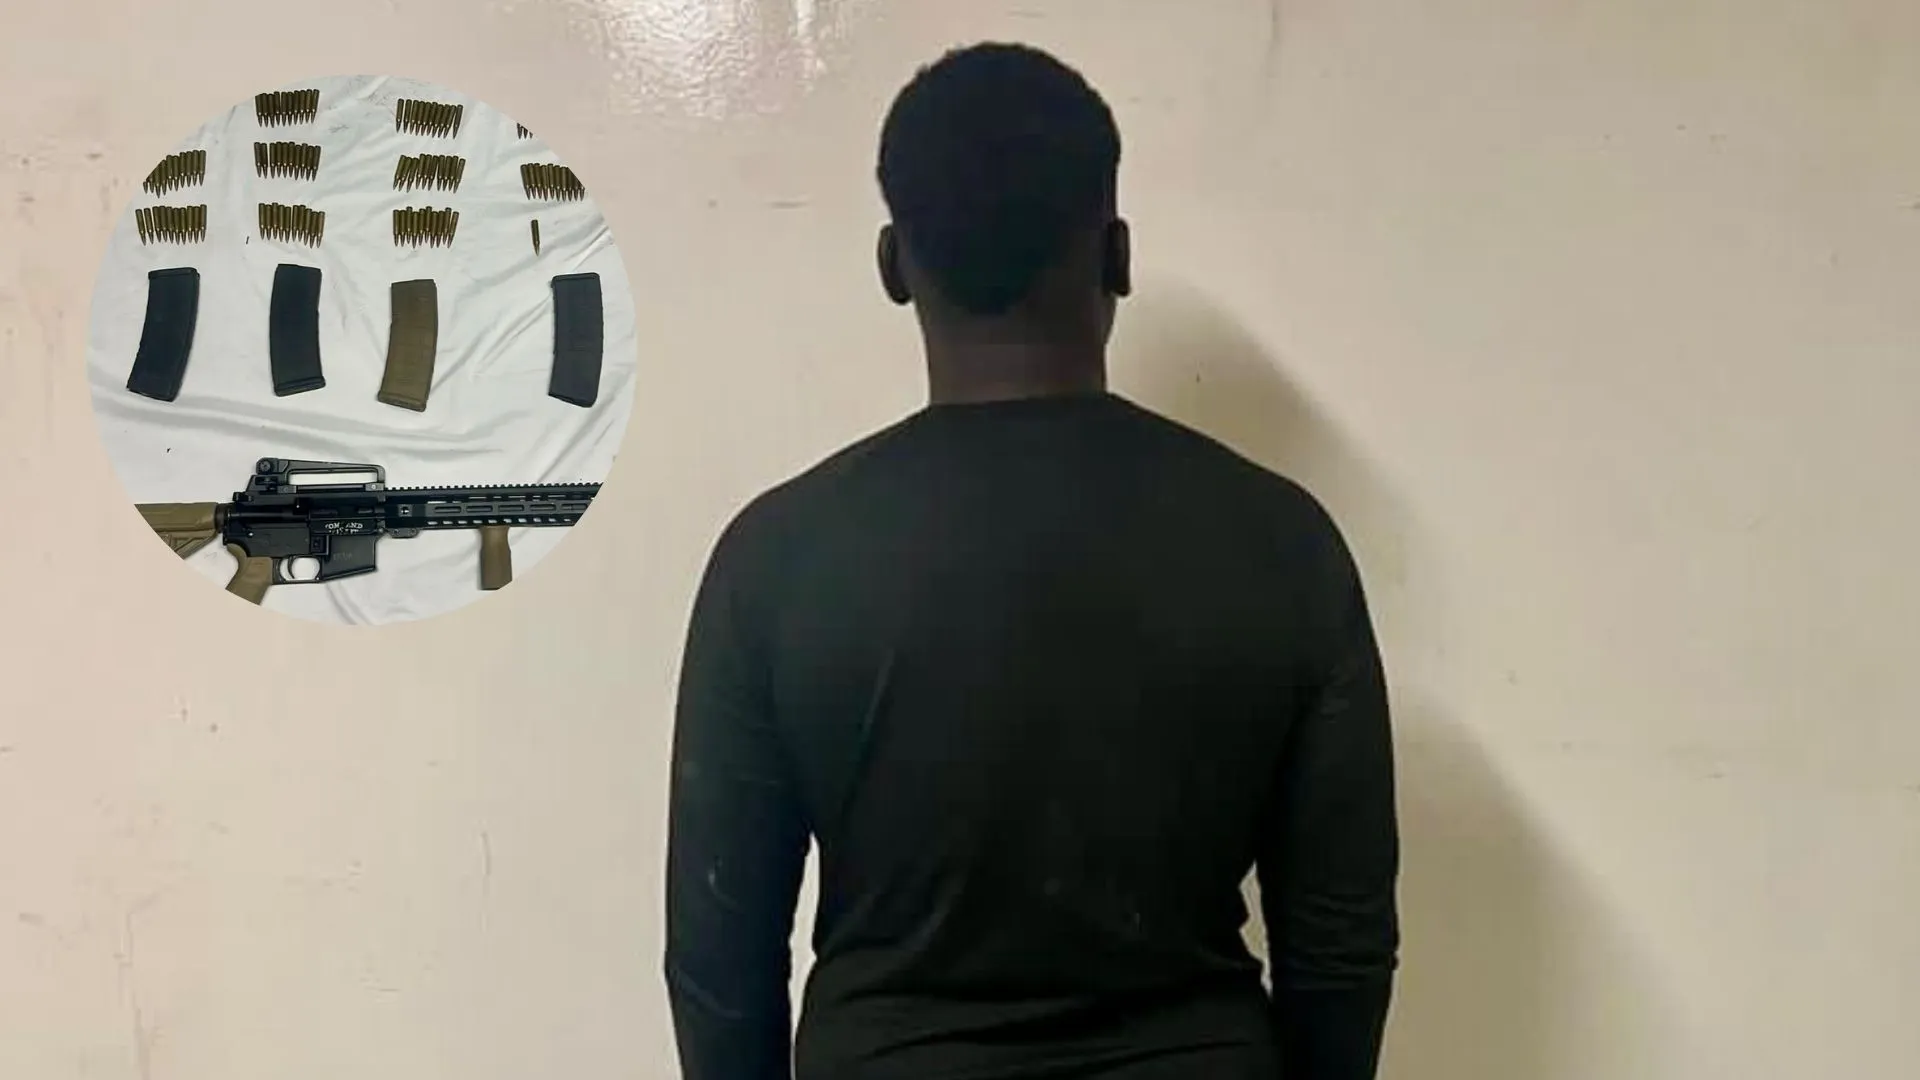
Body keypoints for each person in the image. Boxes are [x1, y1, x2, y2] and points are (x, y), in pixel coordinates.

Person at [665, 42, 1399, 1080]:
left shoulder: (774, 563)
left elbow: (718, 969)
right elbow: (1342, 953)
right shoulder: (1285, 544)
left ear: (893, 266)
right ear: (1118, 256)